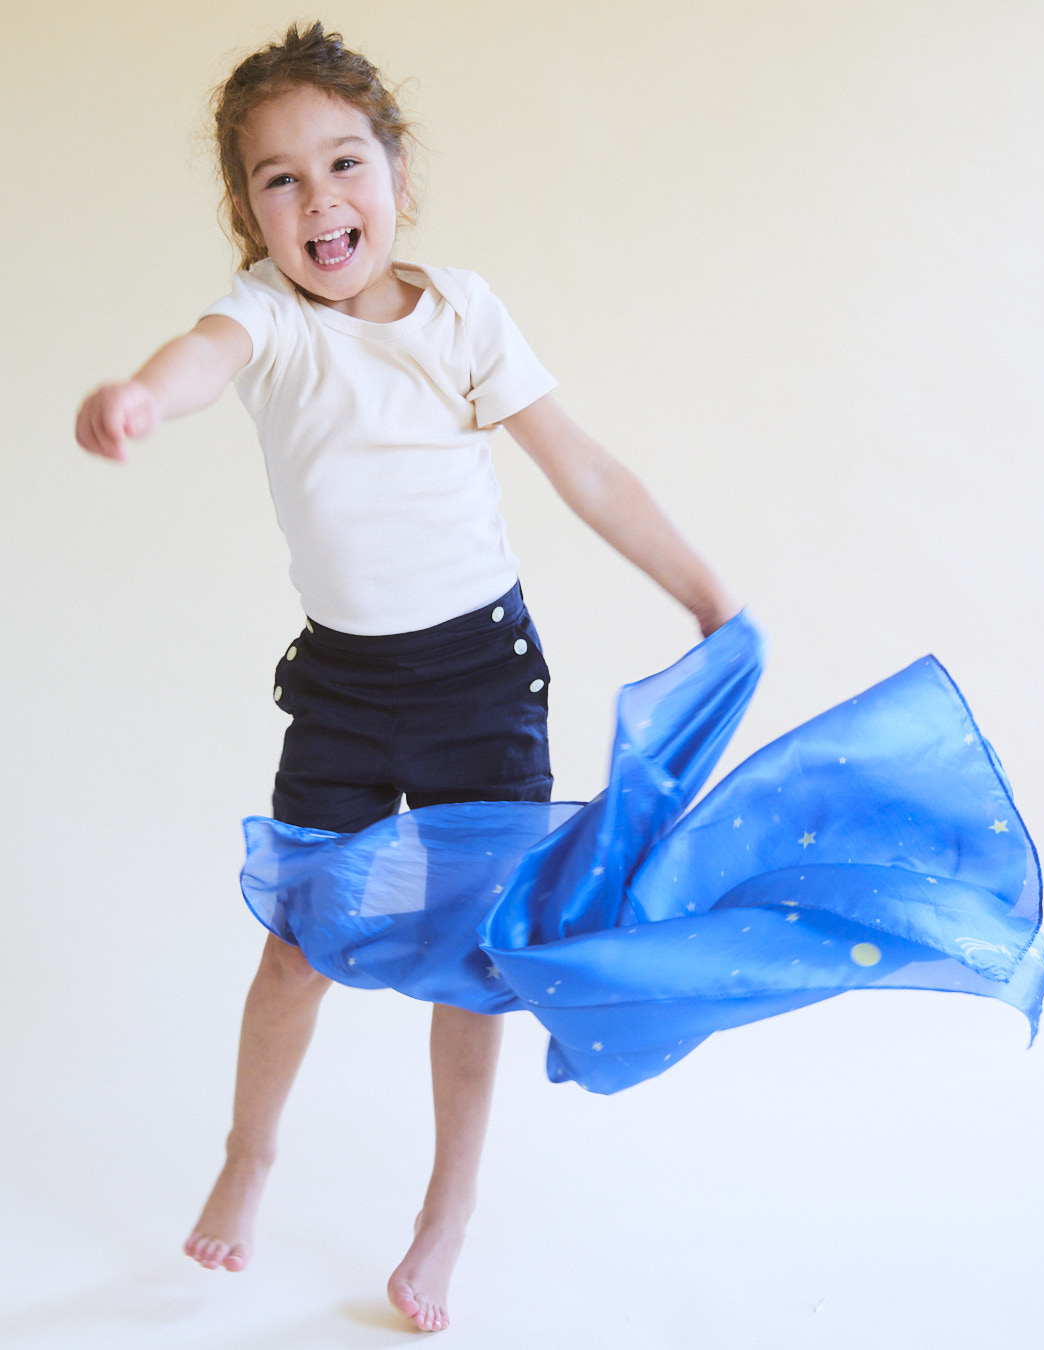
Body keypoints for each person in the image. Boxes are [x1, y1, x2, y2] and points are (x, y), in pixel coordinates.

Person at [75, 21, 738, 1334]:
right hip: (345, 689)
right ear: (250, 217)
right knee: (293, 947)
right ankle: (250, 1152)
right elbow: (201, 354)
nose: (319, 199)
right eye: (279, 179)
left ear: (397, 174)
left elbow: (587, 469)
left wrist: (708, 596)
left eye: (344, 163)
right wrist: (144, 396)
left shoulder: (462, 314)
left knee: (470, 958)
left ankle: (447, 1211)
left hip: (482, 679)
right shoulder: (268, 318)